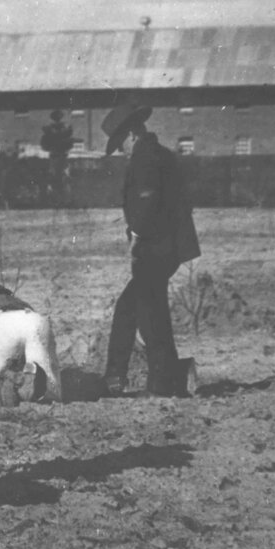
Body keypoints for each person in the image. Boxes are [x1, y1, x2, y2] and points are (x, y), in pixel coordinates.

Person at [100, 103, 200, 397]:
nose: (122, 151)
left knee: (144, 314)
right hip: (168, 249)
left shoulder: (146, 158)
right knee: (138, 310)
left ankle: (142, 381)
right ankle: (159, 379)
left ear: (132, 134)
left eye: (122, 145)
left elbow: (146, 201)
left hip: (153, 249)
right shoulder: (163, 155)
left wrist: (136, 236)